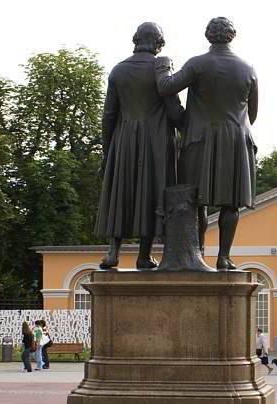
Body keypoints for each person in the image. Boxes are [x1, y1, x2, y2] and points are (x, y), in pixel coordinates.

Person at [154, 17, 258, 270]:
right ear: (231, 36)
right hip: (236, 141)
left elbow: (166, 87)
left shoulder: (197, 64)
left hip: (199, 140)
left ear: (209, 36)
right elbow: (252, 113)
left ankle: (197, 253)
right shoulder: (248, 69)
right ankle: (224, 257)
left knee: (194, 200)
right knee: (230, 202)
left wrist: (162, 66)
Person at [95, 22, 186, 270]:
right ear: (158, 42)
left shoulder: (118, 70)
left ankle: (113, 252)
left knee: (120, 192)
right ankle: (144, 256)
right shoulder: (161, 69)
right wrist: (191, 126)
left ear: (136, 40)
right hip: (157, 141)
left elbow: (109, 115)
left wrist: (107, 150)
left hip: (123, 139)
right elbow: (174, 111)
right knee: (152, 193)